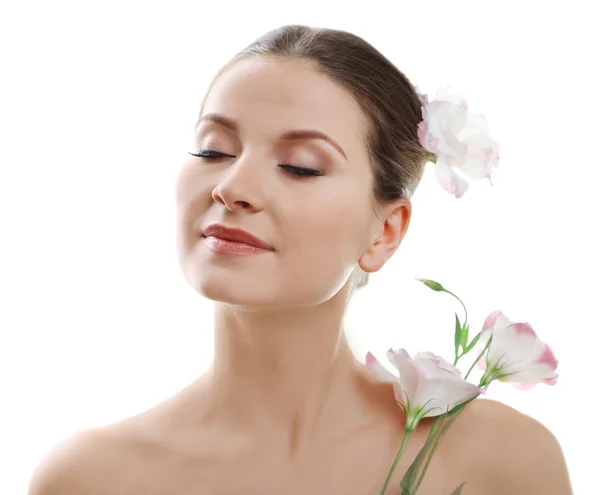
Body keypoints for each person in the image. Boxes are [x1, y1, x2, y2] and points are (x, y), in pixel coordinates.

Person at [28, 25, 572, 494]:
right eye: (213, 150)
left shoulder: (503, 461)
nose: (231, 186)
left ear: (384, 232)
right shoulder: (90, 478)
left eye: (300, 166)